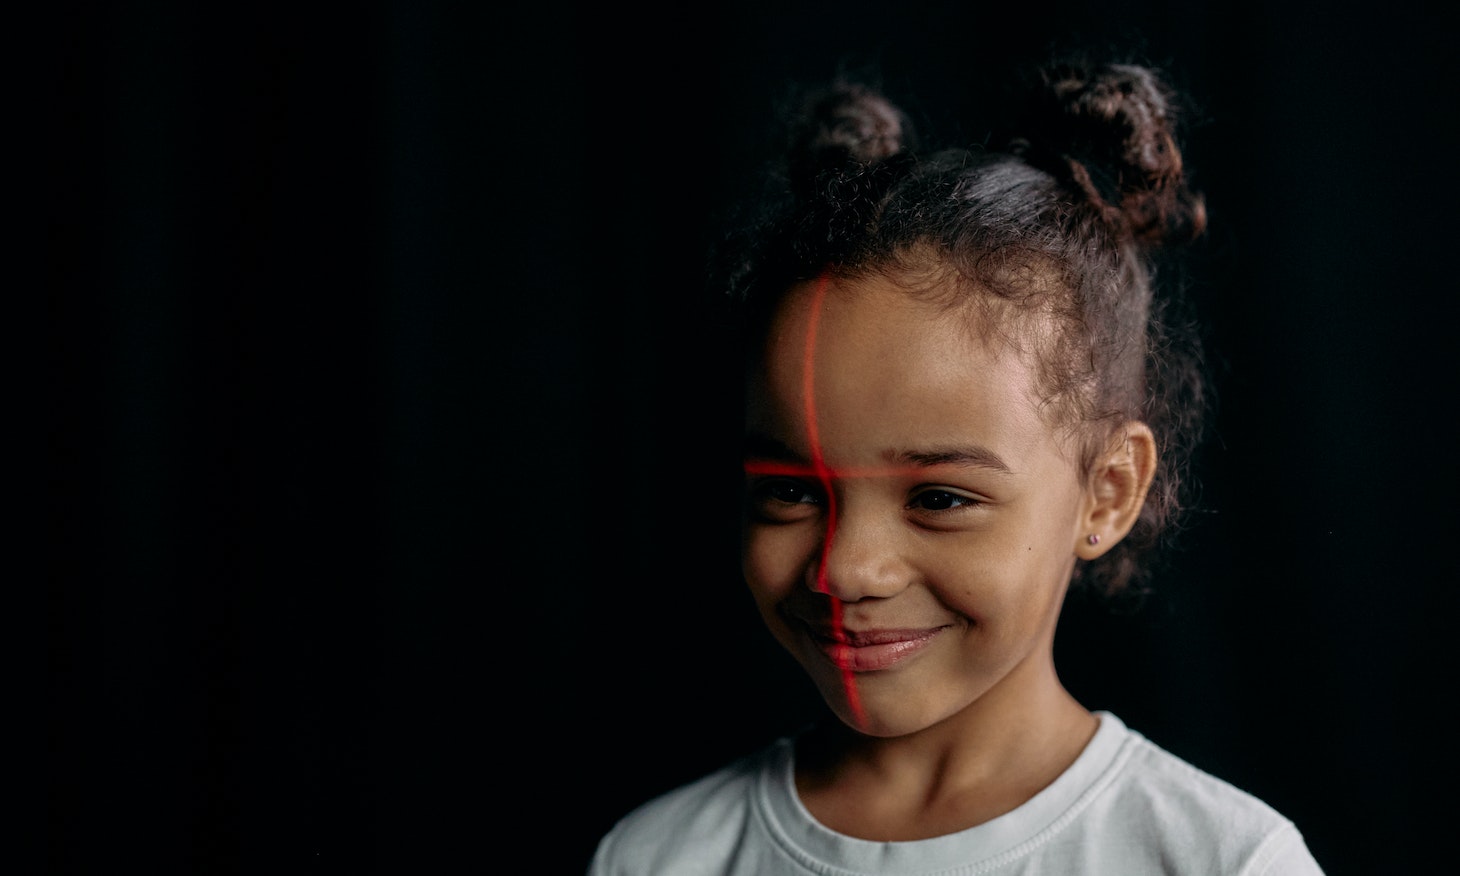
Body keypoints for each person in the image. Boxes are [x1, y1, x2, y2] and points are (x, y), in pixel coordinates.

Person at [588, 56, 1325, 875]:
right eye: (792, 491)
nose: (847, 569)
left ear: (1106, 493)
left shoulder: (1220, 860)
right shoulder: (658, 858)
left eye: (939, 497)